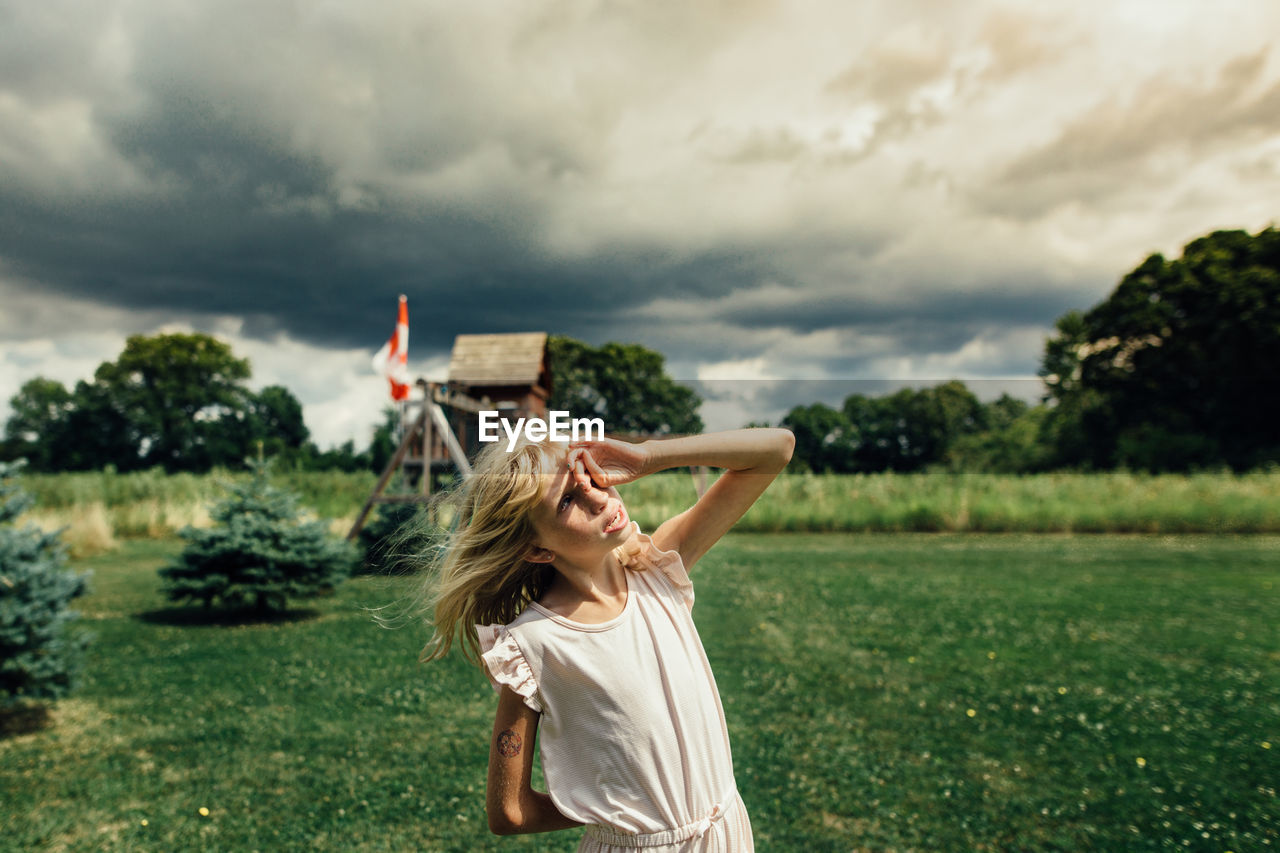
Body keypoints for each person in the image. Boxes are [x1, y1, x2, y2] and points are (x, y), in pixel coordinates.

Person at [417, 427, 794, 851]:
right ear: (537, 550)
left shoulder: (657, 569)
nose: (598, 498)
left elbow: (777, 450)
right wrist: (620, 811)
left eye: (590, 478)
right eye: (566, 502)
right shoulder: (532, 646)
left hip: (728, 836)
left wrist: (649, 456)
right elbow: (508, 811)